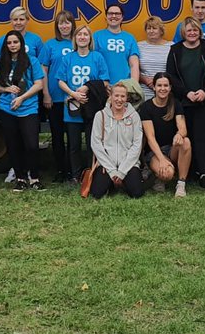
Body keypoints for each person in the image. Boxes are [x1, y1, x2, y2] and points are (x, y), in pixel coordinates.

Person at [166, 17, 205, 190]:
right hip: (183, 101)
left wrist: (204, 91)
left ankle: (203, 173)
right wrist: (186, 92)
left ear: (200, 31)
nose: (192, 33)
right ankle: (186, 172)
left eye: (195, 30)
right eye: (189, 30)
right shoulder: (175, 50)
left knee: (202, 138)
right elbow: (171, 75)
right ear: (183, 32)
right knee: (185, 137)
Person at [53, 24, 110, 183]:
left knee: (93, 144)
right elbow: (60, 81)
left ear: (90, 38)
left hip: (92, 107)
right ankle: (75, 176)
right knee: (74, 145)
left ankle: (91, 174)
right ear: (75, 38)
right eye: (79, 34)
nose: (82, 37)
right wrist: (73, 94)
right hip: (73, 107)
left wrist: (87, 87)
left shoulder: (97, 57)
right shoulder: (68, 58)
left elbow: (105, 81)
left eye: (86, 34)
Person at [0, 29, 46, 191]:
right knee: (13, 144)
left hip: (28, 108)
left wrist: (22, 98)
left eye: (15, 42)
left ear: (21, 44)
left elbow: (39, 84)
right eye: (9, 43)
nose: (12, 45)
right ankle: (20, 178)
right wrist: (7, 90)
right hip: (7, 108)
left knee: (31, 145)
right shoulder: (2, 61)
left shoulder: (31, 61)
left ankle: (34, 177)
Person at [87, 83, 145, 199]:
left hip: (128, 164)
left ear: (127, 98)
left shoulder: (134, 116)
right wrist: (111, 169)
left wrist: (122, 171)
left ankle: (122, 182)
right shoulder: (101, 115)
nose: (119, 99)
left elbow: (137, 145)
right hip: (107, 164)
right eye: (116, 96)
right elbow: (96, 144)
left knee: (137, 193)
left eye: (122, 96)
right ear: (111, 96)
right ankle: (112, 183)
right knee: (97, 193)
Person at [138, 73, 191, 197]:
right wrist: (161, 159)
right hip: (154, 151)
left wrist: (179, 134)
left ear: (170, 87)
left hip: (171, 149)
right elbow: (150, 137)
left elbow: (183, 128)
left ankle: (181, 183)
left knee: (186, 141)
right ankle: (157, 174)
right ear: (154, 87)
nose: (163, 88)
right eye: (159, 85)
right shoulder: (146, 107)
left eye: (166, 85)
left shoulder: (175, 103)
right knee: (167, 174)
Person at [38, 11, 76, 185]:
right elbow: (43, 71)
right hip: (55, 97)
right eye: (61, 23)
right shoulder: (50, 45)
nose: (64, 26)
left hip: (74, 98)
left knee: (73, 136)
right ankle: (61, 170)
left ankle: (73, 170)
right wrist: (46, 93)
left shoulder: (79, 42)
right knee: (57, 136)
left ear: (72, 25)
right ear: (57, 26)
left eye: (67, 22)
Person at [93, 3, 140, 84]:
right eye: (110, 13)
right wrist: (100, 85)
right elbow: (93, 63)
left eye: (117, 14)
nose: (114, 16)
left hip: (124, 87)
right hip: (102, 86)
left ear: (122, 17)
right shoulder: (97, 36)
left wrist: (133, 86)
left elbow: (134, 65)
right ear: (106, 16)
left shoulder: (129, 38)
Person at [137, 16, 173, 101]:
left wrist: (161, 83)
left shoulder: (171, 46)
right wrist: (145, 80)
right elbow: (133, 68)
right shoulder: (139, 46)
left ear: (161, 30)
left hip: (164, 92)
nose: (151, 31)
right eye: (149, 28)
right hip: (144, 92)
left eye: (154, 28)